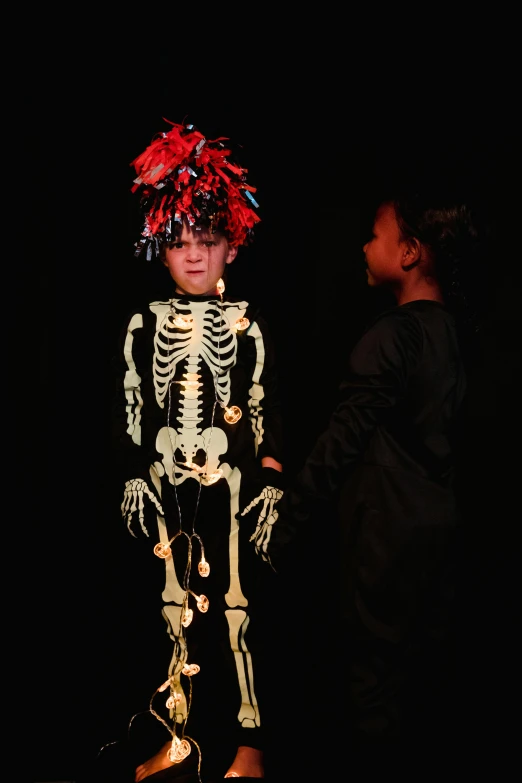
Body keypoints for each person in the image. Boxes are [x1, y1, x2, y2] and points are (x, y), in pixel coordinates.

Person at [242, 184, 486, 771]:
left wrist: (284, 522)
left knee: (371, 697)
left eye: (376, 235)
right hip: (441, 535)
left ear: (409, 253)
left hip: (385, 545)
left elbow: (340, 443)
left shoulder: (392, 335)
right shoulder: (455, 335)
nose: (363, 244)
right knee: (421, 691)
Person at [107, 120, 284, 782]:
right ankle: (178, 733)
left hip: (230, 487)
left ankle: (249, 747)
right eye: (178, 242)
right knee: (170, 611)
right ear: (160, 248)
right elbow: (132, 405)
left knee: (239, 615)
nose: (192, 255)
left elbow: (263, 401)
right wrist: (134, 472)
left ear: (231, 247)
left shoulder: (246, 322)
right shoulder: (142, 323)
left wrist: (269, 473)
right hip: (164, 482)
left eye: (206, 241)